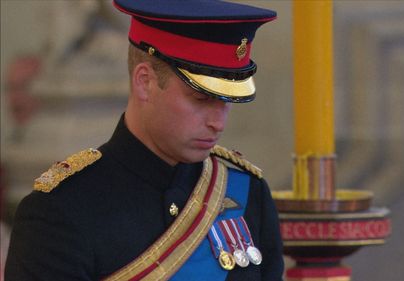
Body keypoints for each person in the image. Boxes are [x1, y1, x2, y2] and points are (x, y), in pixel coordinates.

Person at [5, 1, 284, 280]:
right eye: (201, 99)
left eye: (227, 101)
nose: (218, 122)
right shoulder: (61, 211)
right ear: (144, 82)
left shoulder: (247, 192)